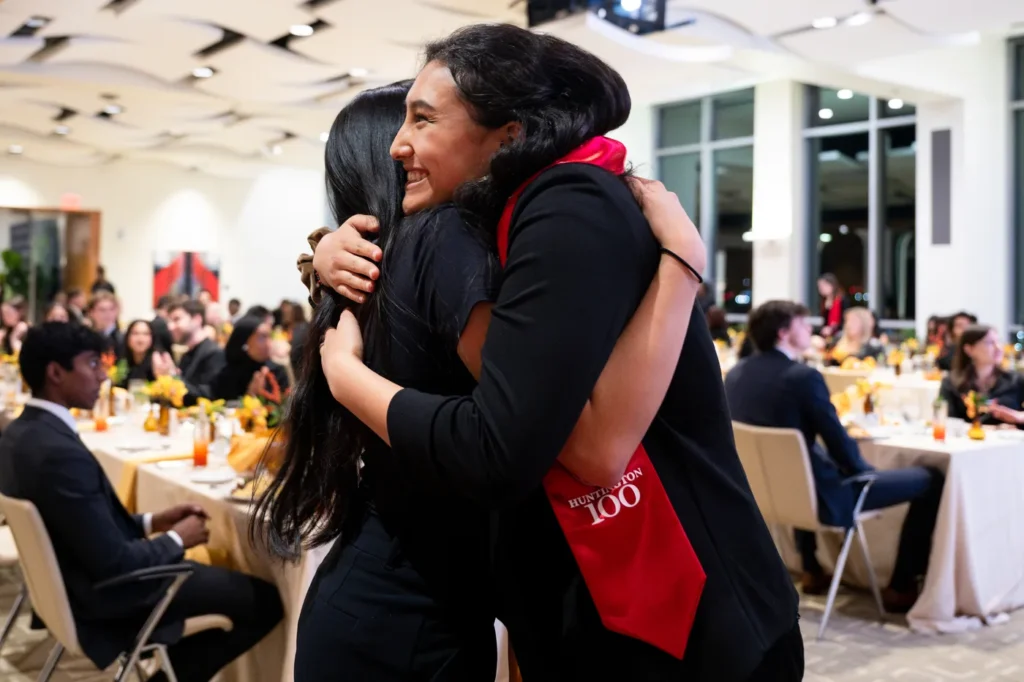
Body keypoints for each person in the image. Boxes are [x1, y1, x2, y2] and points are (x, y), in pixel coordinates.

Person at [311, 25, 800, 681]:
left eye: (423, 120)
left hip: (687, 627)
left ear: (508, 133)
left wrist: (344, 374)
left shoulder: (563, 201)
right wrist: (318, 251)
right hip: (591, 620)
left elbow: (577, 449)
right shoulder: (499, 221)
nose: (401, 145)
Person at [273, 82, 705, 681]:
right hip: (410, 613)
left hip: (389, 593)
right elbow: (579, 443)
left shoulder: (380, 262)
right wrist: (682, 264)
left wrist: (320, 255)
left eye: (426, 121)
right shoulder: (438, 240)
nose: (415, 139)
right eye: (414, 124)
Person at [0, 322, 282, 682]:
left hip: (74, 582)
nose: (103, 376)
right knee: (266, 601)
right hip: (110, 597)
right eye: (92, 365)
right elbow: (115, 563)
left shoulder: (21, 433)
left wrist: (154, 522)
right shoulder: (57, 452)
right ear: (55, 372)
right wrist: (178, 539)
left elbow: (81, 525)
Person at [725, 300, 943, 611]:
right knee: (931, 478)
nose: (811, 329)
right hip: (822, 499)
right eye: (803, 324)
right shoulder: (801, 377)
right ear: (784, 333)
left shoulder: (736, 374)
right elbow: (838, 443)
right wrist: (865, 472)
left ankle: (812, 567)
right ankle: (900, 585)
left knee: (801, 461)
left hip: (765, 493)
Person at [939, 325, 1024, 427]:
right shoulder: (951, 383)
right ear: (969, 349)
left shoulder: (1015, 380)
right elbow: (948, 422)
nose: (998, 348)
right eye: (990, 343)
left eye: (998, 341)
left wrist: (1018, 417)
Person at [153, 301, 224, 406]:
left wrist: (172, 376)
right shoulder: (187, 353)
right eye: (169, 321)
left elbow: (209, 397)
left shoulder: (213, 353)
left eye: (176, 319)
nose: (170, 326)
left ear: (197, 319)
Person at [212, 315, 289, 401]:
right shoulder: (228, 373)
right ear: (244, 341)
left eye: (269, 336)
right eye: (262, 337)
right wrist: (249, 396)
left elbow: (285, 406)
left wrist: (262, 396)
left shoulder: (276, 371)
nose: (269, 343)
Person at [121, 320, 158, 387]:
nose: (140, 339)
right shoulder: (121, 362)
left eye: (146, 334)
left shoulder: (158, 362)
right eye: (135, 333)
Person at [87, 292, 122, 358]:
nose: (108, 313)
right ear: (91, 312)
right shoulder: (85, 337)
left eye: (111, 309)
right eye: (102, 310)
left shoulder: (123, 339)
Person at [817, 273, 847, 339]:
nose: (820, 289)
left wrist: (832, 329)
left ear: (831, 285)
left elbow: (844, 320)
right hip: (827, 336)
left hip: (839, 335)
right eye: (819, 287)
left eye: (822, 286)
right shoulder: (823, 302)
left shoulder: (841, 300)